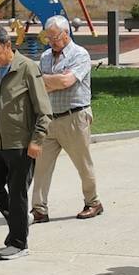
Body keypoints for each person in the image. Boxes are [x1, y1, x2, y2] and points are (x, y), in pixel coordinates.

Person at [0, 25, 51, 260]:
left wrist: (36, 141)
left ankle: (19, 243)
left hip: (21, 145)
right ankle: (19, 220)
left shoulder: (27, 68)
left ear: (8, 46)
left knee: (18, 194)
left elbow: (44, 111)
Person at [31, 15, 103, 223]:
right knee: (41, 167)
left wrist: (48, 80)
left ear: (66, 33)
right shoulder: (45, 57)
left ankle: (93, 202)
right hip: (49, 119)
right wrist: (52, 81)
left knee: (83, 164)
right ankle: (39, 209)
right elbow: (39, 85)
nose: (51, 41)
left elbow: (66, 81)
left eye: (54, 37)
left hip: (74, 117)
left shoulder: (80, 55)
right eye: (48, 37)